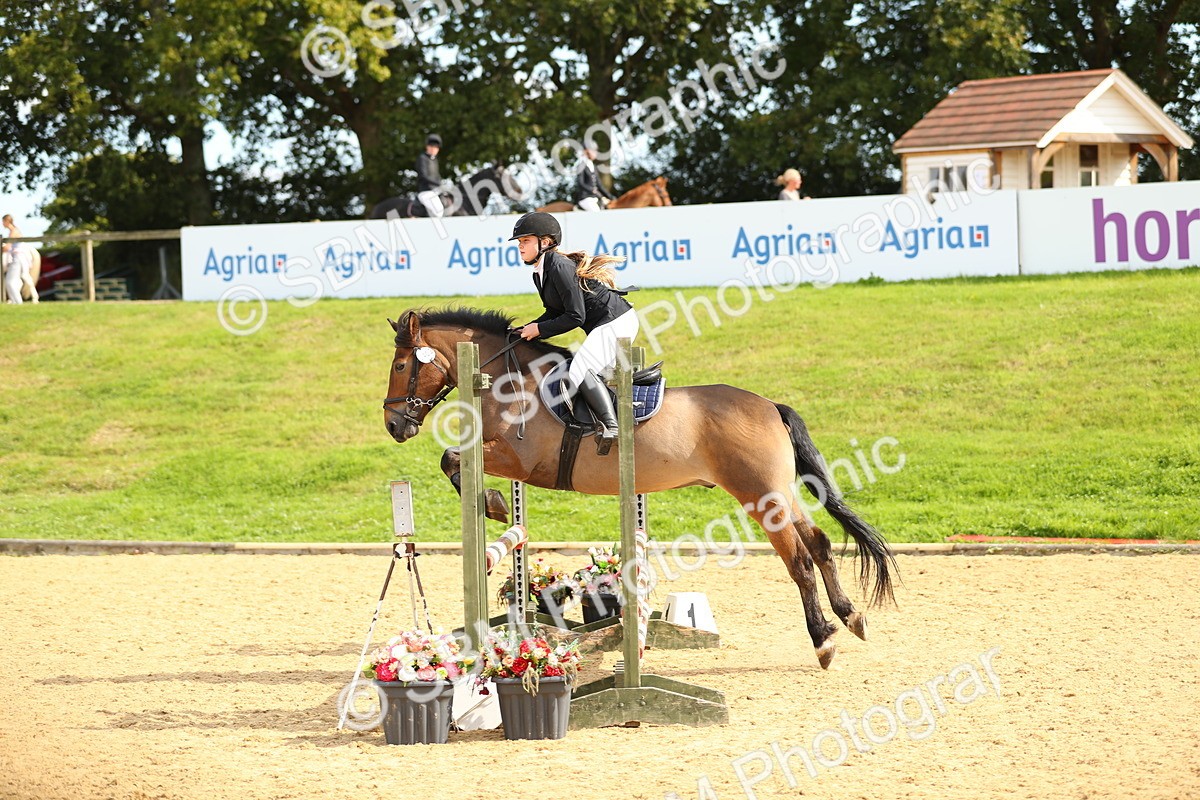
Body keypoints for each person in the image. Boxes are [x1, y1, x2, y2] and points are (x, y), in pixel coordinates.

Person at [509, 211, 638, 447]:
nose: (520, 247)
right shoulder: (540, 272)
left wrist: (538, 330)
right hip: (605, 323)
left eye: (525, 241)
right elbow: (555, 312)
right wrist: (528, 328)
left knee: (579, 370)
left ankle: (611, 427)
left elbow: (575, 316)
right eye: (519, 242)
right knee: (588, 370)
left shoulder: (558, 265)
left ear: (545, 242)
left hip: (615, 320)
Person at [2, 214, 37, 304]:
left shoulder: (14, 231)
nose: (2, 224)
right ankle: (15, 301)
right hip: (16, 258)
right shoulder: (13, 231)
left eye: (3, 221)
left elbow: (7, 248)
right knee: (14, 281)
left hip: (18, 258)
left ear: (7, 221)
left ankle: (17, 301)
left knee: (10, 282)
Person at [573, 147, 615, 212]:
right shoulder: (581, 166)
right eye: (593, 151)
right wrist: (592, 190)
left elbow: (599, 185)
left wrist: (611, 197)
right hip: (586, 198)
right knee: (596, 212)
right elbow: (580, 183)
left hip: (595, 197)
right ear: (586, 151)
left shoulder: (593, 166)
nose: (596, 153)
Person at [416, 134, 445, 218]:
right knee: (439, 211)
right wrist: (438, 183)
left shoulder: (435, 160)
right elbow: (423, 176)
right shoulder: (422, 158)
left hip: (435, 191)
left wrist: (442, 184)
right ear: (427, 147)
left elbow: (437, 176)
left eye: (436, 147)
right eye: (431, 146)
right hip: (426, 191)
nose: (433, 149)